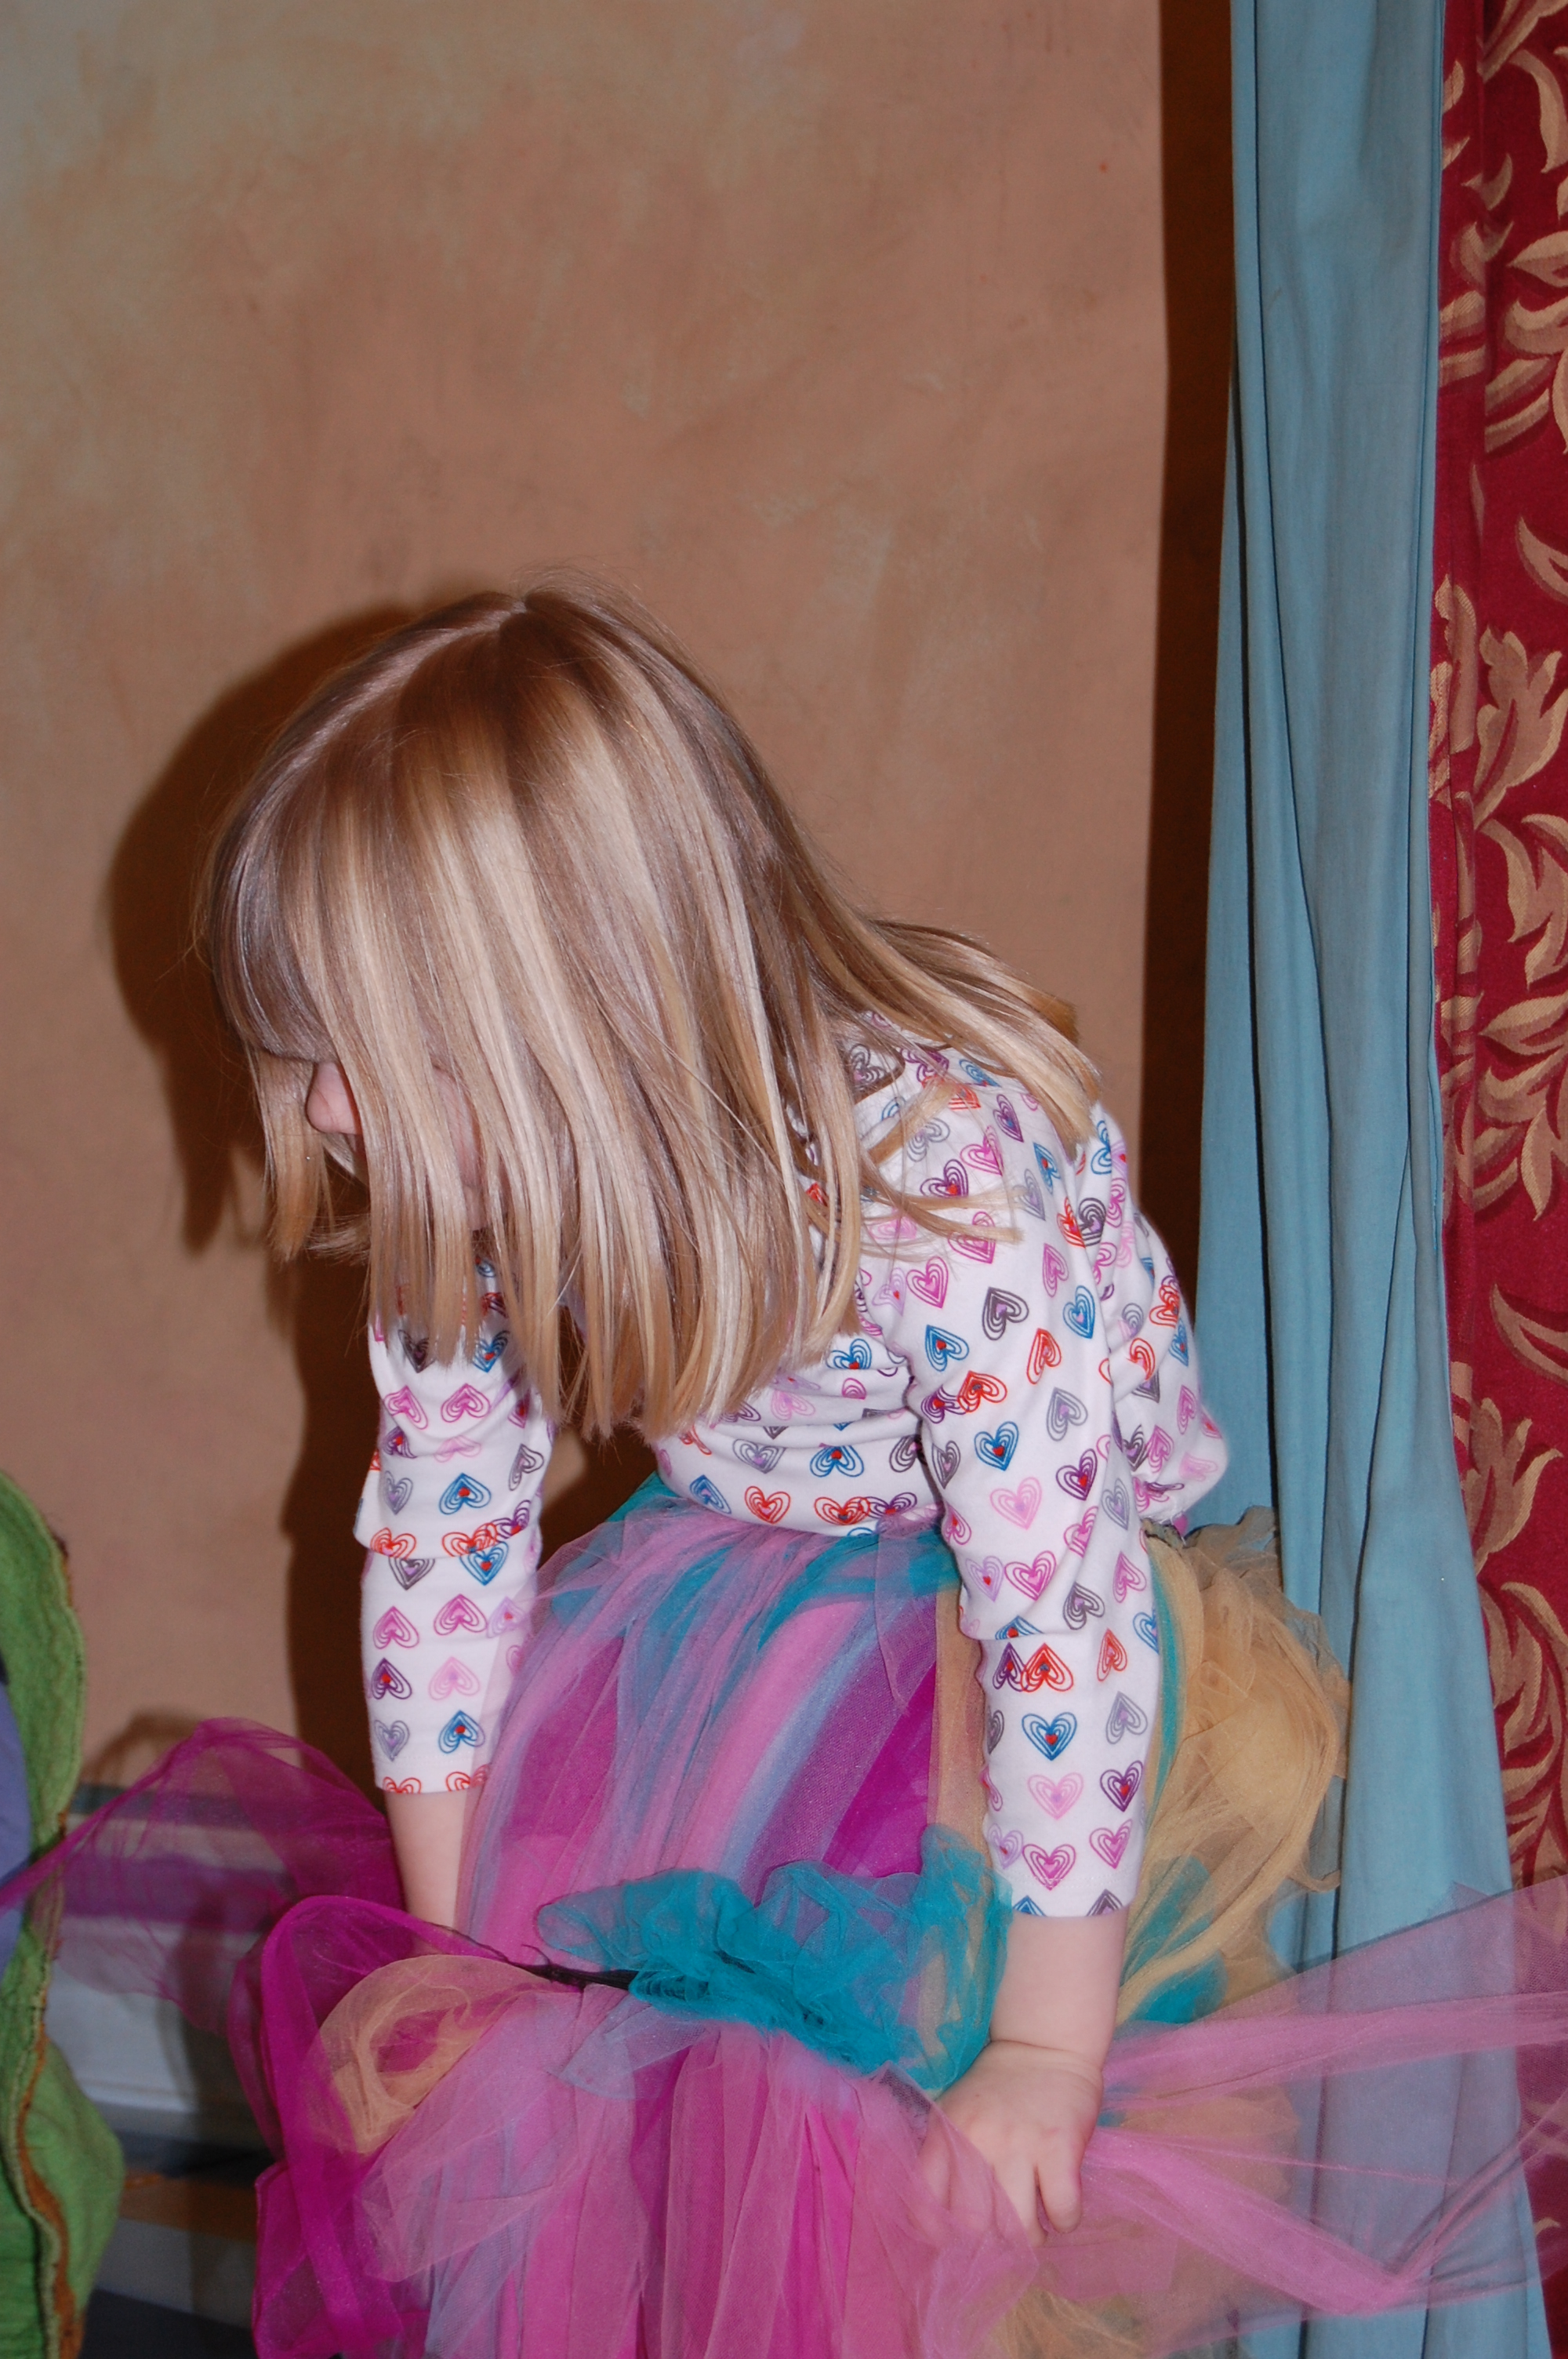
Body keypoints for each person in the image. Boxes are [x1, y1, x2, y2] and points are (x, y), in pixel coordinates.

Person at [19, 581, 1568, 2358]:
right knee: (655, 2139)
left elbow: (1055, 1607)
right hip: (736, 1583)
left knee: (909, 2184)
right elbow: (444, 1544)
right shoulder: (493, 1183)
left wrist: (1045, 2050)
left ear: (559, 1019)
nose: (325, 1117)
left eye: (355, 1063)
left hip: (1017, 1646)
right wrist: (459, 1968)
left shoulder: (941, 1166)